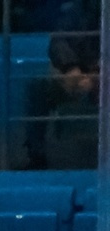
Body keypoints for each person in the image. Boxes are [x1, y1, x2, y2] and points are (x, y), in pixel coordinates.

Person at [23, 28, 100, 169]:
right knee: (38, 88)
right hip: (82, 77)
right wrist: (71, 67)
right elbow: (58, 41)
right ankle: (36, 155)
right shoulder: (80, 12)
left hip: (99, 77)